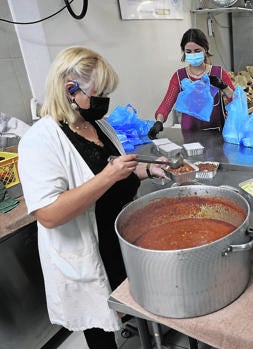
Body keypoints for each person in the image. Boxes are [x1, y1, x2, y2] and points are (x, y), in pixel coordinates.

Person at [17, 46, 168, 349]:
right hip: (87, 252)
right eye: (98, 95)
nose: (103, 102)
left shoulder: (97, 125)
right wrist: (109, 176)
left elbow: (118, 169)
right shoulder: (40, 141)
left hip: (119, 241)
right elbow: (48, 213)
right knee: (99, 330)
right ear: (69, 89)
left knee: (125, 305)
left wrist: (148, 169)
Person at [148, 28, 235, 138]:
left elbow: (236, 99)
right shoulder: (179, 76)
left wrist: (223, 86)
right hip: (190, 134)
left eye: (197, 51)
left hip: (217, 133)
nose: (193, 54)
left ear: (206, 49)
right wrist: (159, 122)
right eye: (188, 52)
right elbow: (166, 103)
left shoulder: (218, 73)